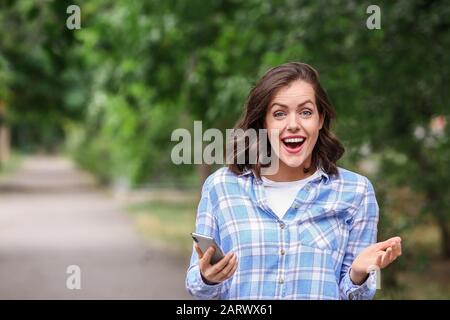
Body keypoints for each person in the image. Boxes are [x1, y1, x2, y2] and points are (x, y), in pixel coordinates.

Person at [185, 62, 402, 299]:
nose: (293, 125)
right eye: (279, 114)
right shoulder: (221, 187)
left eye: (306, 112)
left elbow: (356, 295)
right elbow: (196, 285)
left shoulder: (356, 192)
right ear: (263, 123)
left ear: (320, 119)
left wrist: (357, 274)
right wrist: (208, 277)